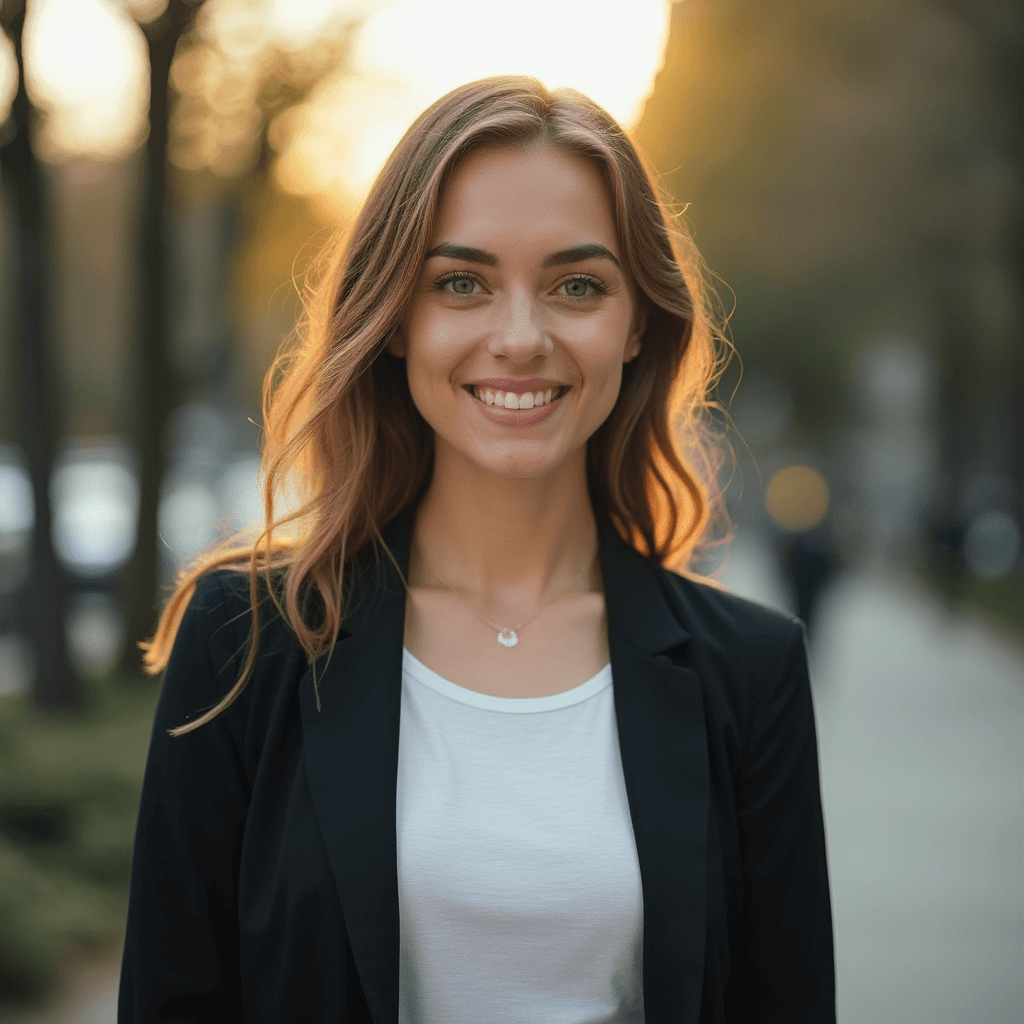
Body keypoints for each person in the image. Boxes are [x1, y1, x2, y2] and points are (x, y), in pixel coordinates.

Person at [118, 77, 835, 1024]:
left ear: (636, 328)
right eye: (461, 283)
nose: (521, 338)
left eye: (577, 286)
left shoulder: (750, 672)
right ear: (394, 322)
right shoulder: (244, 641)